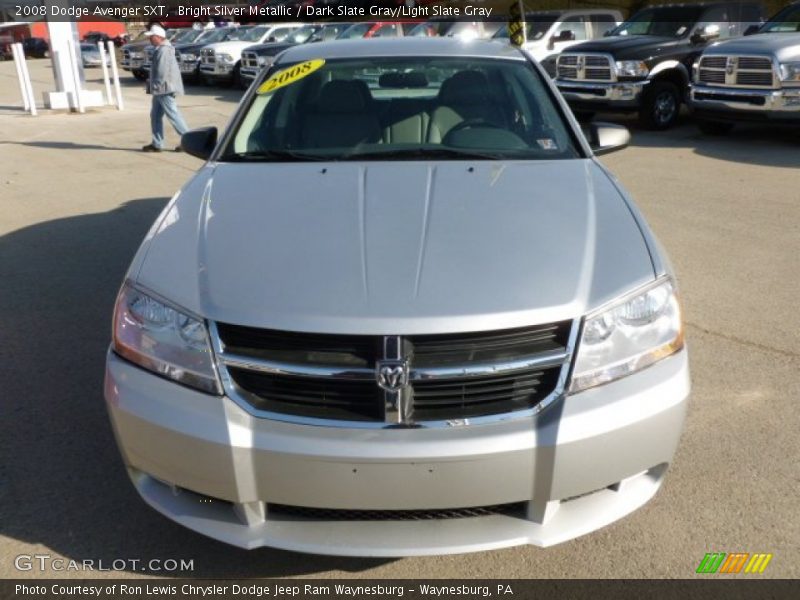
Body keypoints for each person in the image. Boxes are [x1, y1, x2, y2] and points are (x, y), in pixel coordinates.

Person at [142, 25, 188, 152]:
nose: (150, 39)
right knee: (155, 115)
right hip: (161, 89)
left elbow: (162, 73)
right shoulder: (162, 49)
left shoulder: (164, 50)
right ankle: (157, 143)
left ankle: (188, 141)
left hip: (164, 89)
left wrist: (153, 87)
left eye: (151, 36)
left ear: (158, 37)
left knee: (173, 115)